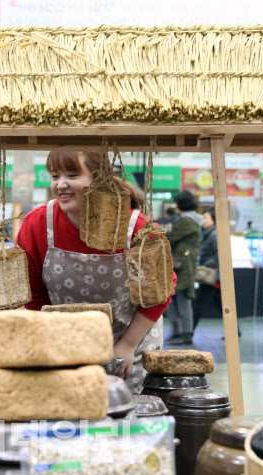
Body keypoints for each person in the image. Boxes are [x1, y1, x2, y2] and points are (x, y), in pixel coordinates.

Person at [16, 150, 176, 393]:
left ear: (99, 181)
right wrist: (53, 343)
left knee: (126, 420)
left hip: (130, 342)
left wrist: (128, 344)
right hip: (64, 343)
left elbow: (160, 291)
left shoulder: (134, 225)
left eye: (72, 175)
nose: (61, 185)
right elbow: (34, 291)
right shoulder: (39, 223)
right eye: (54, 176)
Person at [165, 190, 202, 345]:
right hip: (185, 263)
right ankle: (178, 330)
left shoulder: (186, 221)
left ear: (180, 205)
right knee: (174, 298)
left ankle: (186, 334)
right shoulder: (194, 218)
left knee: (182, 300)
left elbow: (170, 238)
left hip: (182, 265)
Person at [192, 208, 222, 332]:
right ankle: (236, 331)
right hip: (212, 277)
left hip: (212, 276)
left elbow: (219, 255)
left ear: (214, 220)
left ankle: (188, 333)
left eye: (206, 218)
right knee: (220, 304)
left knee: (198, 306)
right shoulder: (207, 233)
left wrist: (205, 266)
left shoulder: (214, 234)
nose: (203, 220)